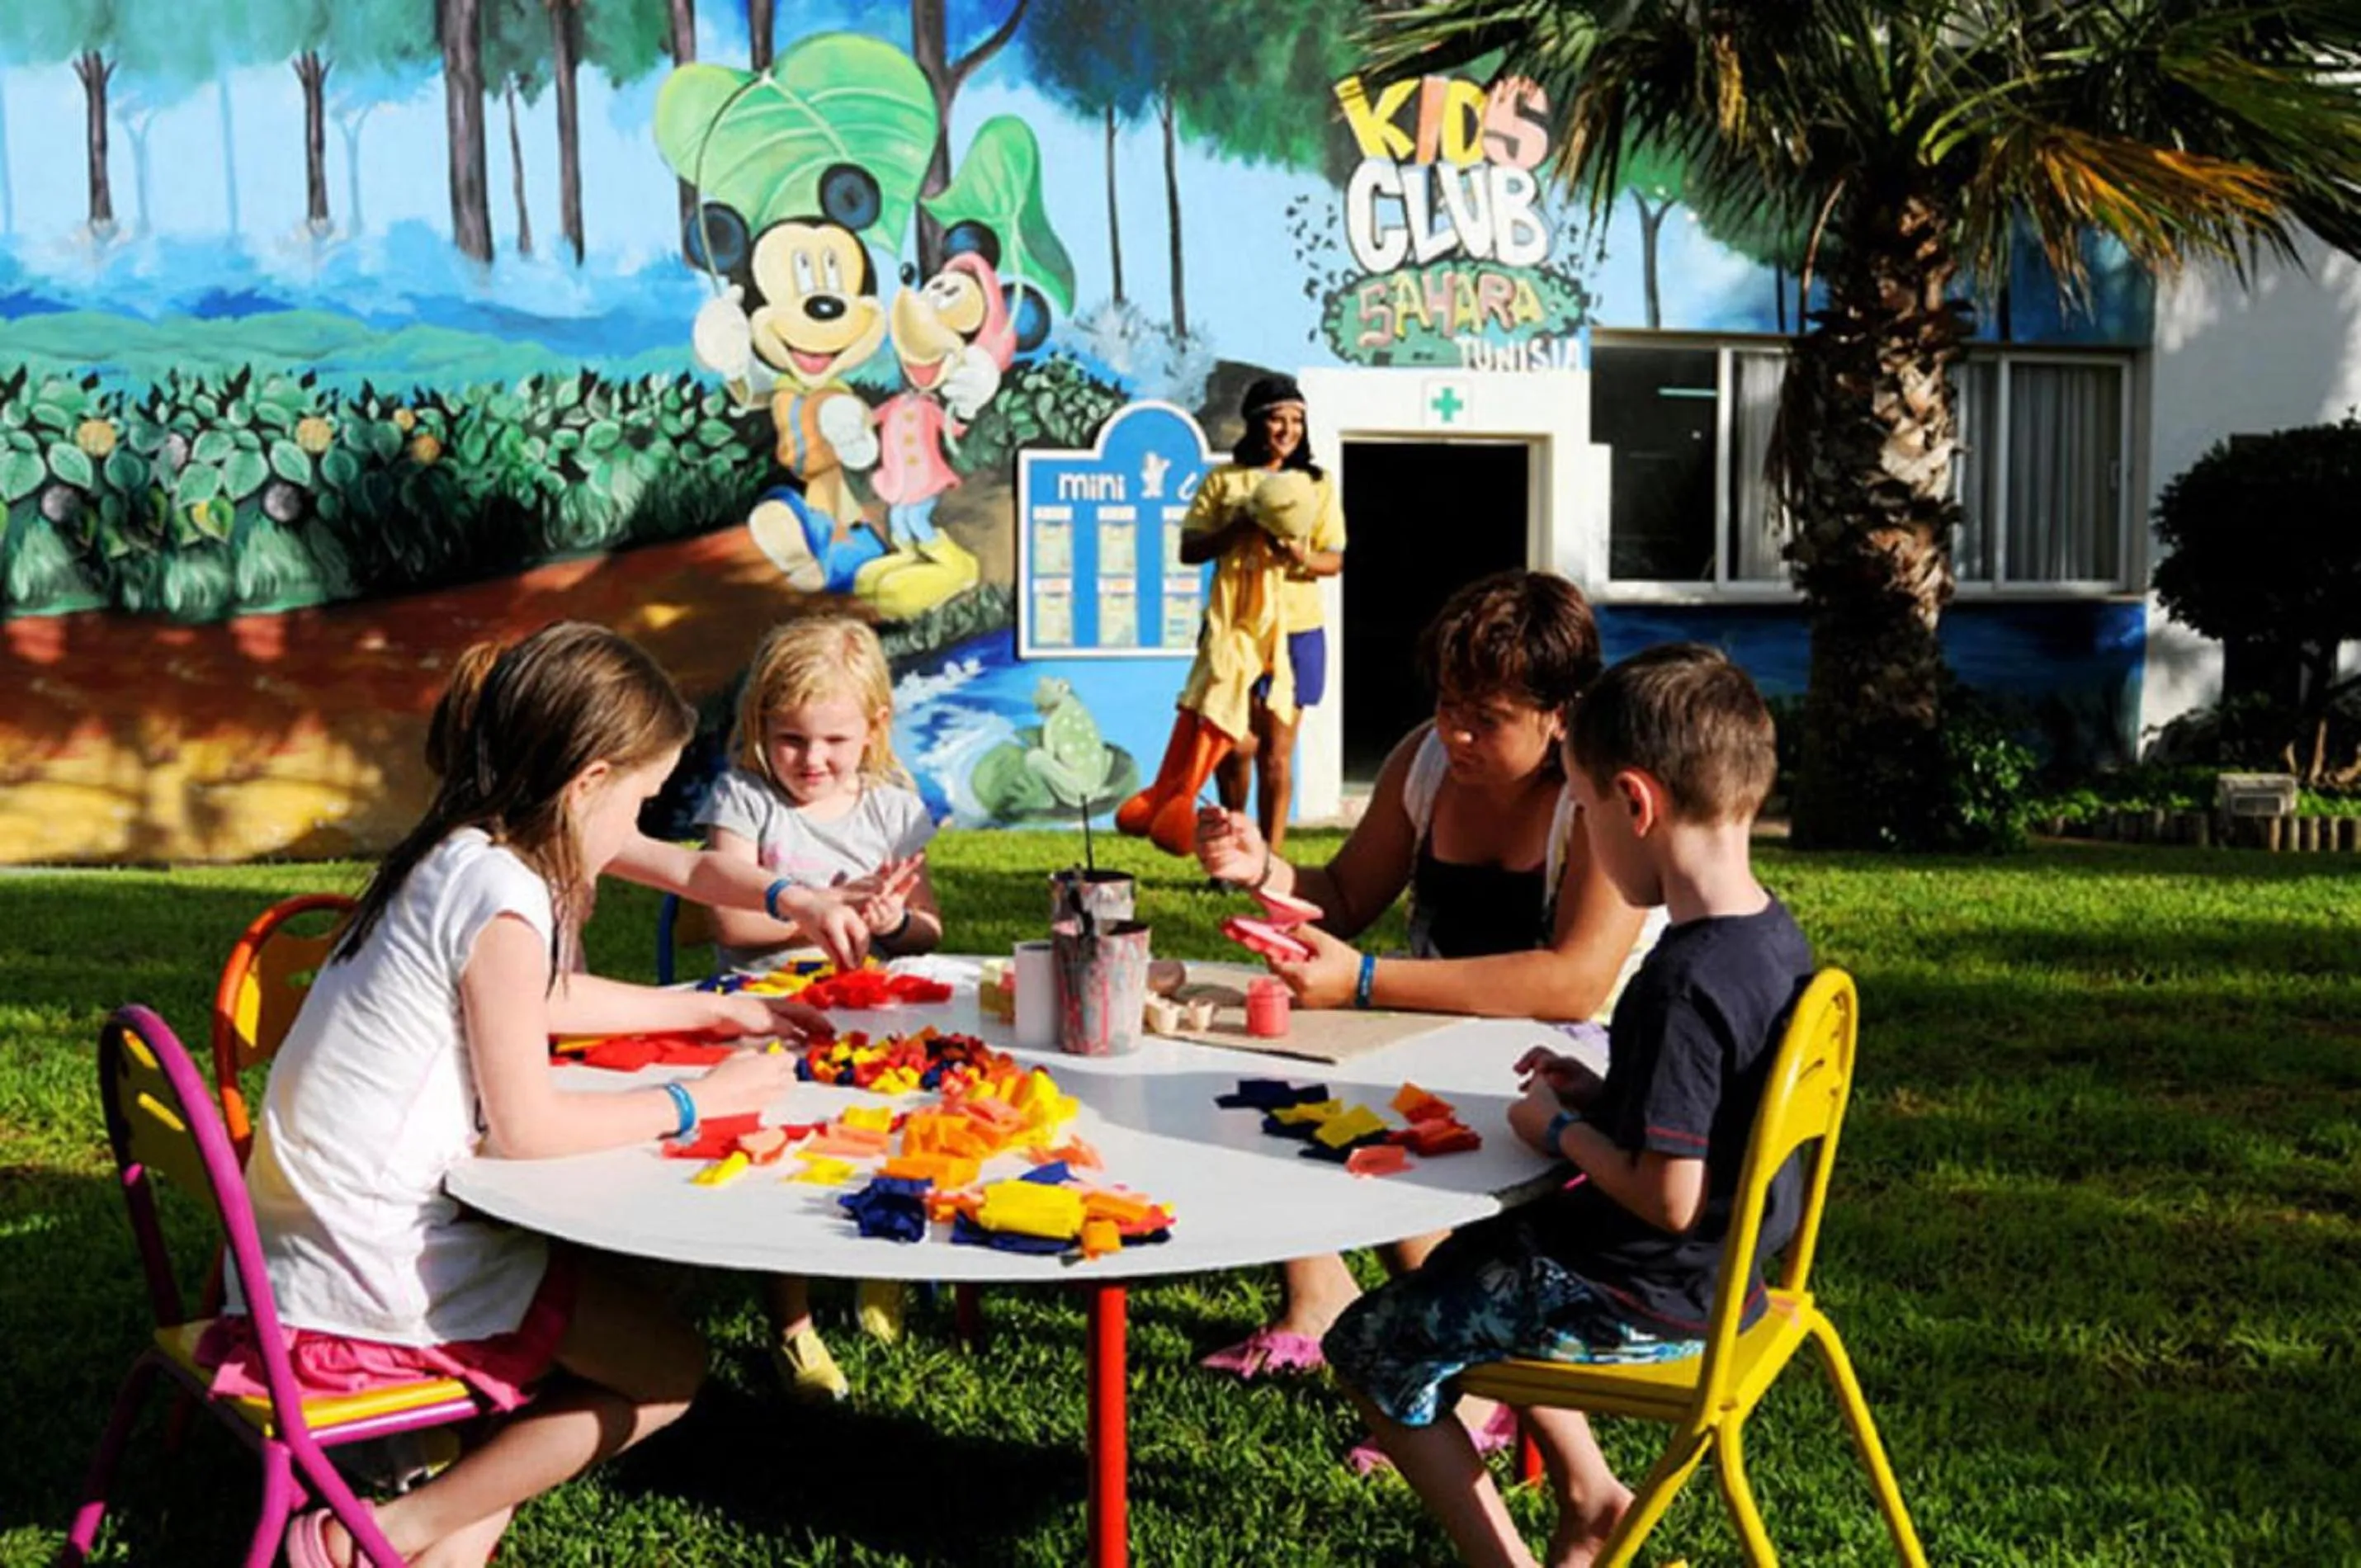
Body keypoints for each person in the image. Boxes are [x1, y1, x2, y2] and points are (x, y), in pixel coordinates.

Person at [222, 622, 833, 1568]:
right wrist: (700, 1101)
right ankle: (372, 1533)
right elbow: (527, 1132)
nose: (641, 821)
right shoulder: (505, 894)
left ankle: (408, 1534)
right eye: (638, 795)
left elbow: (545, 994)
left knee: (609, 1324)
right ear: (588, 780)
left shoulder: (465, 846)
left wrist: (711, 1011)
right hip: (370, 1268)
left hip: (292, 1252)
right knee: (669, 1369)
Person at [1324, 644, 1811, 1568]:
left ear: (1634, 803)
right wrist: (1605, 1092)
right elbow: (1718, 1112)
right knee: (1467, 1256)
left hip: (1645, 1297)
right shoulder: (1771, 939)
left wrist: (1558, 1128)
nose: (1580, 827)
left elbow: (1667, 1195)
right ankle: (1589, 1499)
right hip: (1731, 1281)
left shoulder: (1678, 983)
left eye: (1581, 808)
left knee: (1369, 1345)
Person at [1193, 571, 1660, 1405]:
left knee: (1392, 1117)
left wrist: (1365, 980)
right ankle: (1315, 1297)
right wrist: (1259, 865)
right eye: (1448, 704)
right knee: (1267, 1070)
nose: (1458, 733)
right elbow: (1340, 895)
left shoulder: (1593, 795)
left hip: (1578, 1061)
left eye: (1488, 718)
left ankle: (1471, 1386)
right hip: (1444, 1031)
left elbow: (1573, 982)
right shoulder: (1422, 761)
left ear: (1560, 713)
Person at [696, 614, 942, 1402]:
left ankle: (880, 1256)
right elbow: (728, 920)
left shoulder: (891, 807)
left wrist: (891, 924)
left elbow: (929, 928)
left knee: (908, 1117)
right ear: (759, 726)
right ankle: (791, 1324)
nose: (812, 760)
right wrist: (822, 904)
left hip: (870, 1007)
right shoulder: (743, 797)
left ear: (873, 729)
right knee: (782, 1149)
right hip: (765, 1010)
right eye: (791, 739)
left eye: (833, 742)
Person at [1192, 374, 1345, 857]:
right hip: (1234, 629)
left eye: (1296, 420)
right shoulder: (1224, 481)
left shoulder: (1317, 485)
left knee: (1277, 756)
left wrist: (1299, 555)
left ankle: (1269, 861)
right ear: (1256, 422)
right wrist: (1238, 526)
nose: (1287, 429)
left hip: (1295, 630)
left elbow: (1335, 559)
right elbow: (1190, 547)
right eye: (1278, 418)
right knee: (1234, 747)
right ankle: (1234, 847)